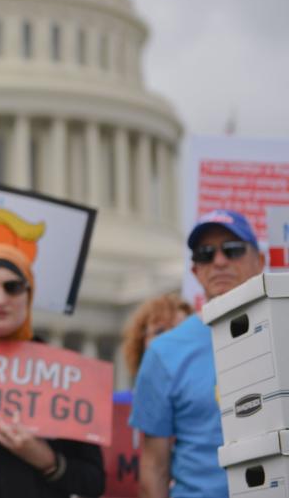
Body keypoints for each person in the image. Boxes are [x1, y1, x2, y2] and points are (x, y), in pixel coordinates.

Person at [0, 243, 105, 497]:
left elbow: (93, 481)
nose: (0, 299)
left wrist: (47, 460)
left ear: (29, 295)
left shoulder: (65, 374)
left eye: (13, 287)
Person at [130, 209, 265, 498]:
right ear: (196, 271)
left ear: (260, 261)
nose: (218, 261)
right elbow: (153, 467)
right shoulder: (164, 352)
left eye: (232, 249)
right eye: (205, 254)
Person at [121, 293, 192, 381]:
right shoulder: (110, 395)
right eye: (159, 331)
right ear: (140, 342)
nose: (171, 338)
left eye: (179, 330)